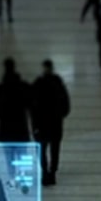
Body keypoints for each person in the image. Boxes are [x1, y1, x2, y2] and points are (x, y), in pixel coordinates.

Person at [0, 57, 32, 183]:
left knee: (9, 156)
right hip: (21, 128)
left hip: (5, 129)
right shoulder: (23, 86)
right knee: (22, 154)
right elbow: (31, 106)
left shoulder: (1, 88)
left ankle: (12, 177)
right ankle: (23, 176)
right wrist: (35, 126)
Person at [30, 59, 70, 187]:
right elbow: (65, 103)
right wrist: (61, 115)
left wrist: (34, 124)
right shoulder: (57, 82)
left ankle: (46, 171)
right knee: (54, 149)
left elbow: (32, 106)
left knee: (42, 149)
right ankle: (52, 172)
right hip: (55, 123)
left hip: (42, 124)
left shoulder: (38, 83)